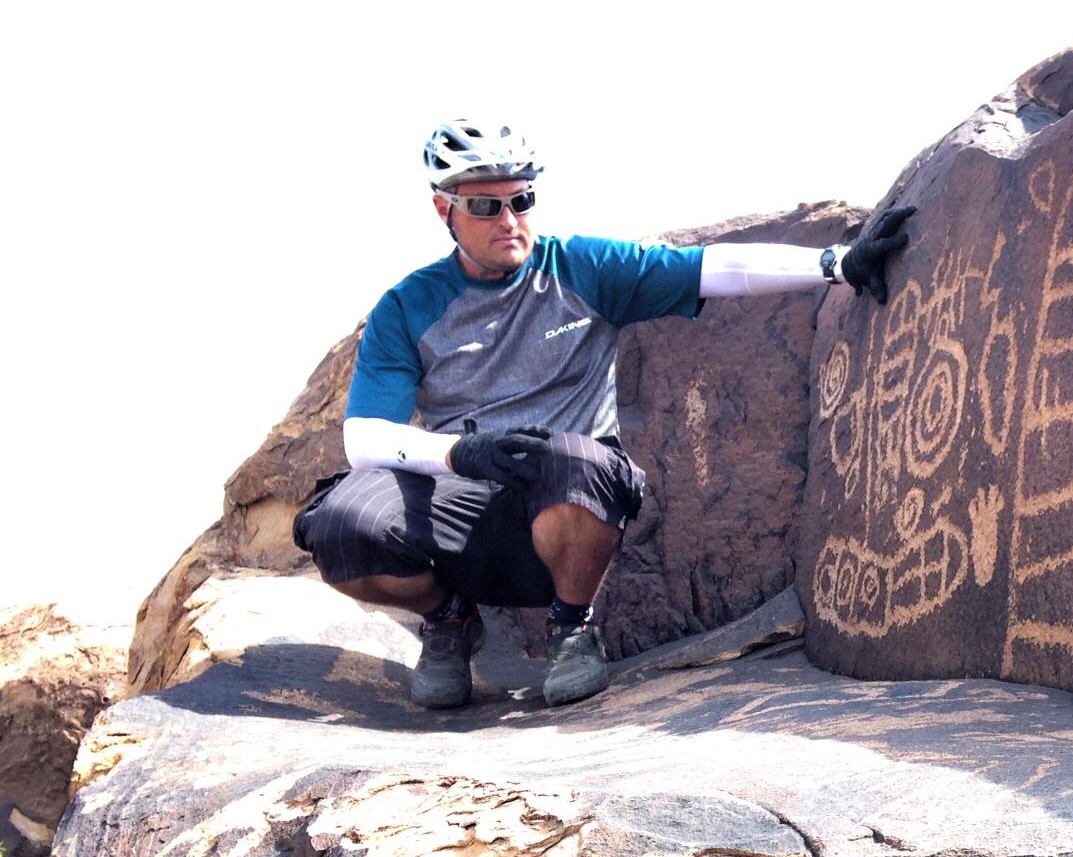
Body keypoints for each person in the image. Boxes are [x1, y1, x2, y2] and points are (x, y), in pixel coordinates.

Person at [293, 119, 912, 710]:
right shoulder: (408, 306)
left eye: (522, 199)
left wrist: (834, 264)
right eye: (486, 206)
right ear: (443, 209)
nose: (509, 220)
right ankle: (449, 621)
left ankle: (572, 629)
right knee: (341, 526)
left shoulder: (581, 267)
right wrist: (460, 453)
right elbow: (364, 438)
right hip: (466, 508)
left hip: (568, 503)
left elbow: (710, 268)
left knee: (575, 460)